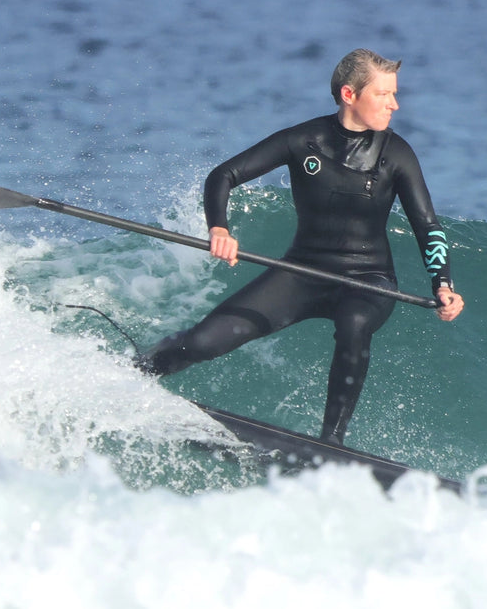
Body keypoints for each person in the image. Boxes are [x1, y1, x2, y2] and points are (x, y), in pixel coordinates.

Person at [137, 49, 464, 444]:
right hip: (302, 273)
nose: (394, 104)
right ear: (349, 94)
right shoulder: (303, 140)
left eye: (394, 94)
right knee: (203, 342)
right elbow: (223, 175)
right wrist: (219, 229)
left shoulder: (397, 154)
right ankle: (132, 372)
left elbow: (427, 225)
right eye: (383, 94)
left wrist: (442, 284)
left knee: (356, 324)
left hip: (368, 280)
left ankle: (332, 441)